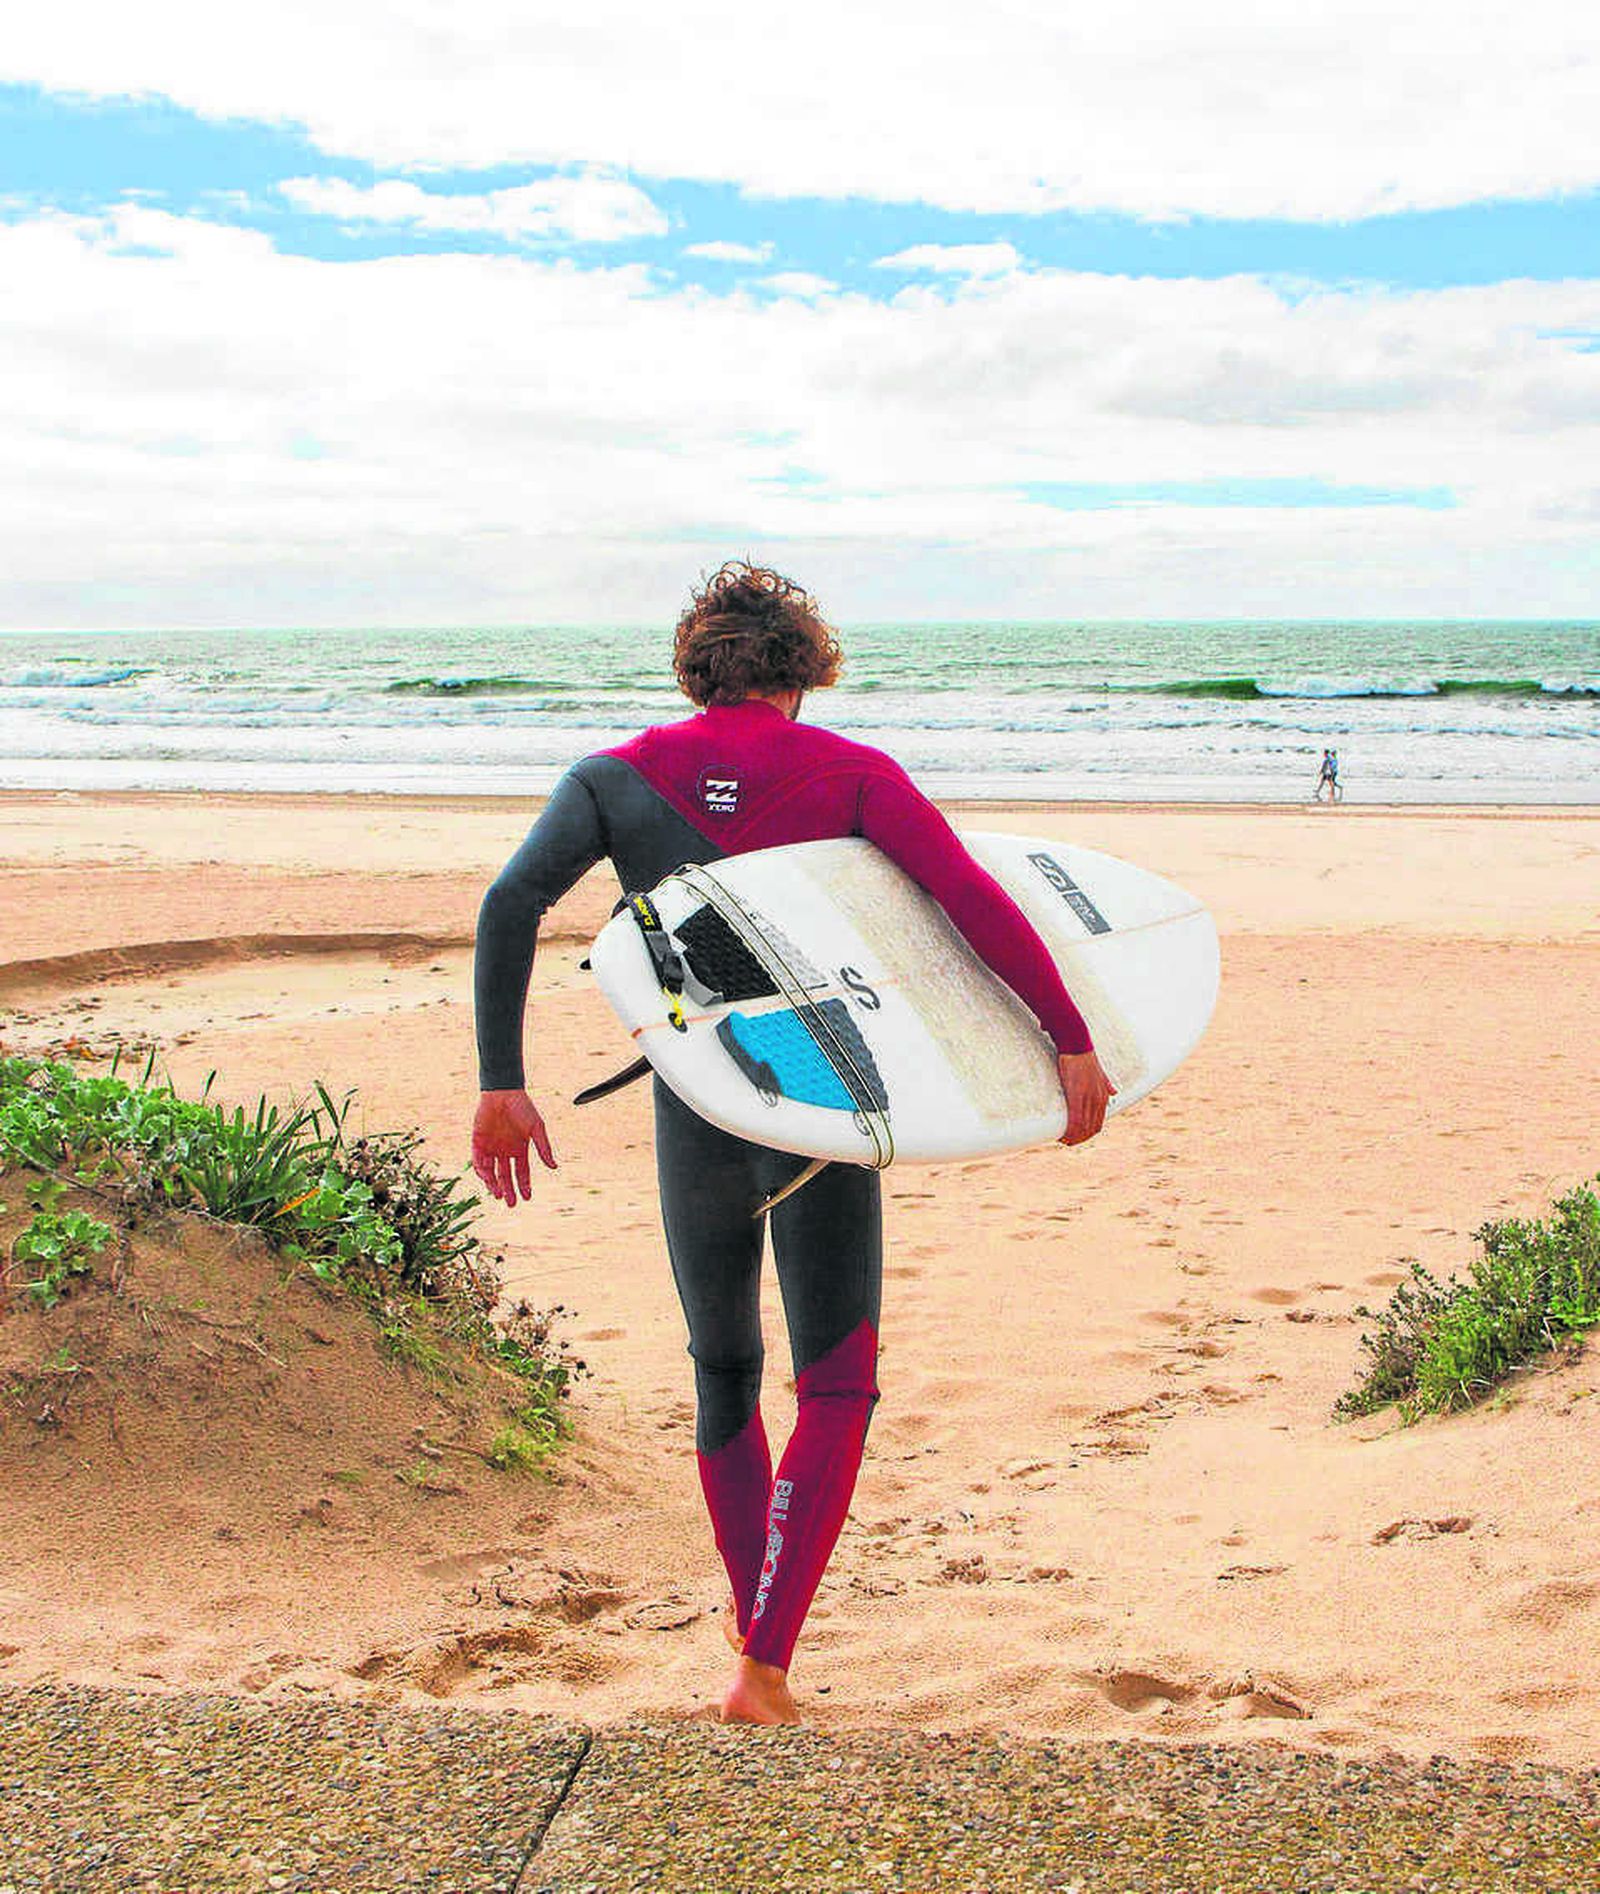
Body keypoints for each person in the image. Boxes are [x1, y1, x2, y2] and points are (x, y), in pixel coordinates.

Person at [471, 563, 1115, 1725]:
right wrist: (1064, 1038)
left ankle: (748, 1609)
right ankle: (761, 1664)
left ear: (696, 665)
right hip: (822, 1102)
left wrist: (501, 1083)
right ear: (804, 672)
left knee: (723, 1367)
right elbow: (969, 904)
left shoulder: (613, 778)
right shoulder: (852, 774)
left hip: (697, 1103)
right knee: (838, 1381)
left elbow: (510, 904)